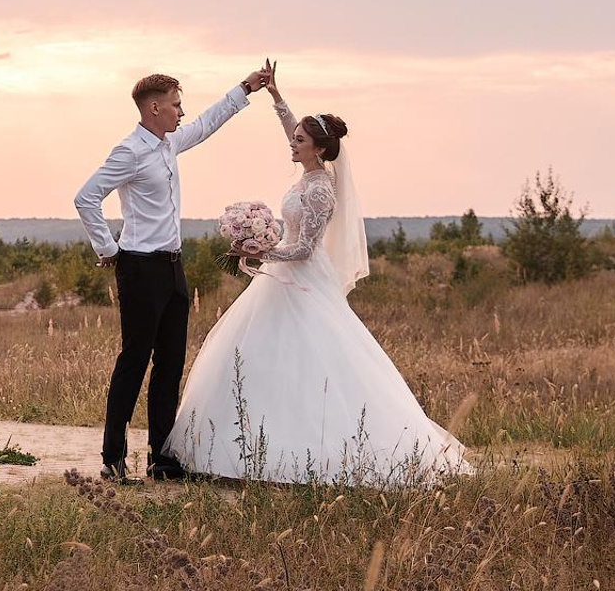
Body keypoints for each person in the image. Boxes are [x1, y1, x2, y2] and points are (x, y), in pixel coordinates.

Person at [162, 68, 470, 484]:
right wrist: (276, 97)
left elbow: (305, 248)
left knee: (311, 358)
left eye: (300, 141)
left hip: (302, 277)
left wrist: (260, 250)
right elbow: (293, 129)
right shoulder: (308, 171)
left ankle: (308, 452)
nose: (293, 143)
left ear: (319, 149)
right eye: (294, 138)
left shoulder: (321, 188)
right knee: (257, 356)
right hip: (279, 278)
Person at [75, 61, 273, 482]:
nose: (182, 112)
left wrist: (246, 87)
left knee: (170, 364)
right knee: (134, 361)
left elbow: (206, 124)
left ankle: (161, 460)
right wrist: (107, 248)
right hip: (139, 267)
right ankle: (112, 459)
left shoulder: (169, 144)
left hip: (172, 267)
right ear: (154, 108)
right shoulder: (129, 151)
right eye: (175, 105)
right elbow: (86, 197)